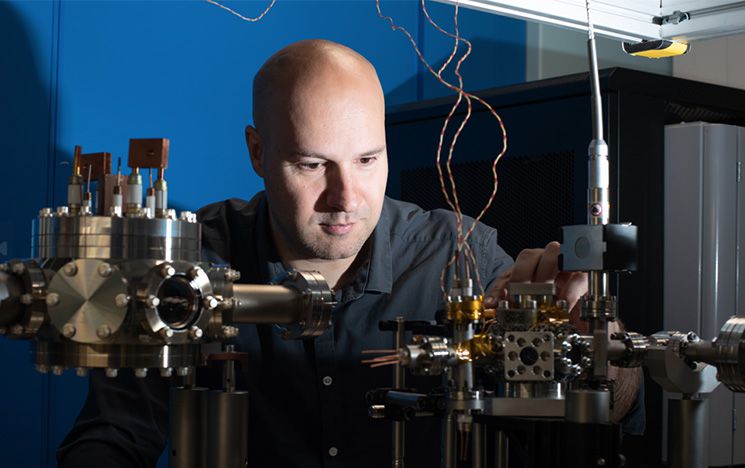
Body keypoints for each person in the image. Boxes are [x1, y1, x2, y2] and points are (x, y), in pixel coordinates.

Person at [57, 39, 640, 468]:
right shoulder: (191, 263)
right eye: (312, 165)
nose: (345, 198)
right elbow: (113, 437)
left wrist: (586, 332)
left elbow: (609, 411)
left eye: (367, 160)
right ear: (258, 152)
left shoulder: (457, 253)